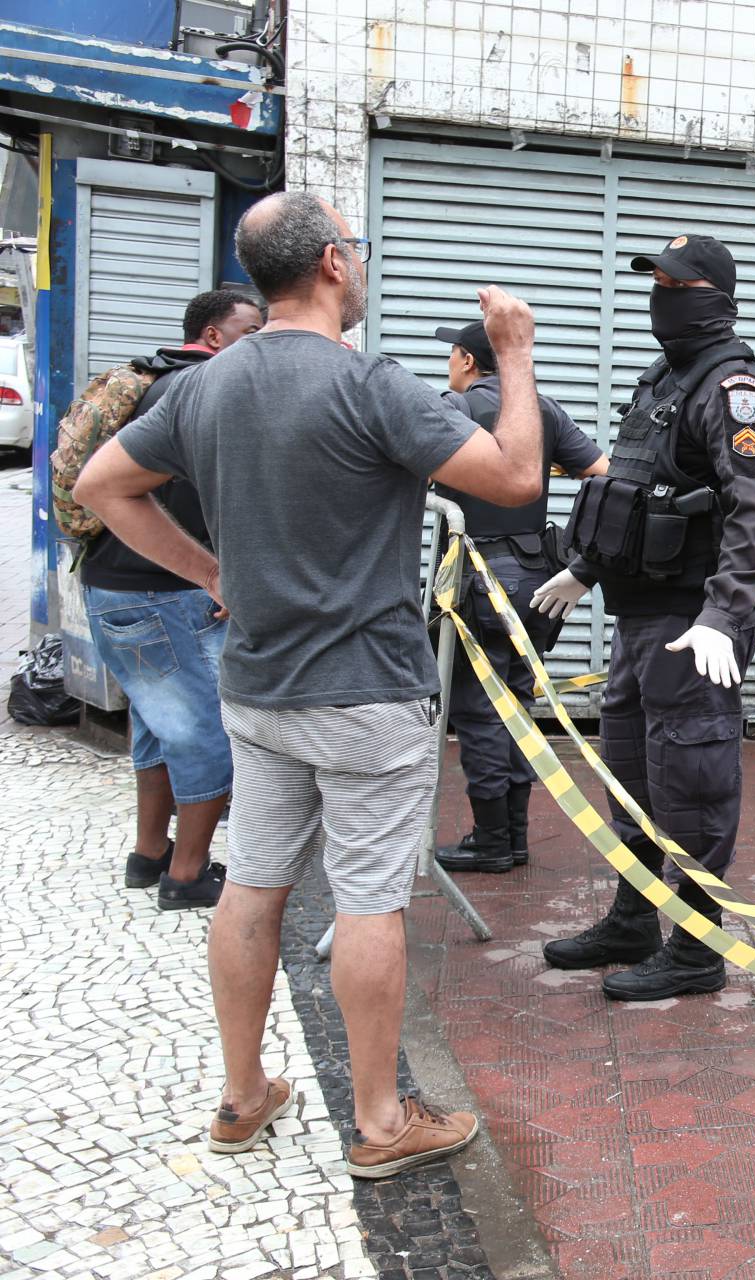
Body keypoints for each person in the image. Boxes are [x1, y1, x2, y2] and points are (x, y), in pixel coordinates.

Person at [73, 191, 545, 1179]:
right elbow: (513, 477)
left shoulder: (201, 386)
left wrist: (210, 573)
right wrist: (513, 350)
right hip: (368, 688)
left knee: (253, 884)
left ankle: (244, 1096)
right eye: (358, 249)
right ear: (332, 263)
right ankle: (380, 1120)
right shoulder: (372, 385)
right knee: (371, 899)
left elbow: (99, 485)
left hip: (259, 686)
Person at [528, 233, 755, 1003]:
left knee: (694, 779)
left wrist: (724, 611)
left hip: (694, 621)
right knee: (633, 773)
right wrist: (586, 568)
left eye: (676, 287)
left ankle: (697, 947)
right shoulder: (664, 380)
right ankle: (634, 918)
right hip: (640, 614)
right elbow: (639, 492)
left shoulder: (733, 387)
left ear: (714, 296)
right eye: (655, 285)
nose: (660, 299)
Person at [85, 288, 261, 908]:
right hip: (162, 595)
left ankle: (149, 853)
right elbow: (209, 506)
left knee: (158, 729)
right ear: (213, 337)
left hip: (118, 588)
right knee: (205, 735)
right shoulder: (199, 393)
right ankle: (187, 876)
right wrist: (220, 576)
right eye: (251, 331)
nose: (262, 341)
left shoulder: (155, 380)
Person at [430, 318, 607, 874]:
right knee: (517, 703)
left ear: (466, 360)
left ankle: (492, 842)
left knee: (479, 711)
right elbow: (602, 474)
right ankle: (514, 837)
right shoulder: (541, 409)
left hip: (476, 576)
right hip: (536, 575)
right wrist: (581, 557)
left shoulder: (450, 410)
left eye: (453, 354)